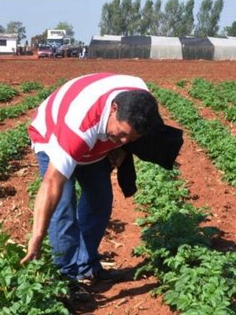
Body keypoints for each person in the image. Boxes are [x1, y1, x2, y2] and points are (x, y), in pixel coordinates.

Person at [20, 73, 182, 289]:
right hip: (52, 134)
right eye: (122, 134)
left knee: (100, 200)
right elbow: (51, 184)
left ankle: (86, 266)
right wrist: (37, 236)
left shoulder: (142, 104)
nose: (124, 140)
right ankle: (66, 277)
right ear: (113, 109)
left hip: (95, 142)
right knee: (64, 206)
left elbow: (129, 134)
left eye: (131, 138)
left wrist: (123, 148)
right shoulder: (78, 125)